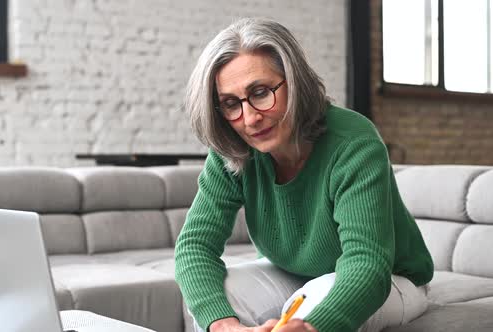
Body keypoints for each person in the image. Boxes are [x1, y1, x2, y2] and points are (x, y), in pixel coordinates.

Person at [174, 18, 434, 332]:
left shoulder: (353, 143)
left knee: (315, 299)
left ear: (295, 81)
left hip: (392, 280)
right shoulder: (234, 148)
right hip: (291, 273)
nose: (250, 118)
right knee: (215, 297)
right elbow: (195, 247)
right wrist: (223, 325)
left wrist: (312, 327)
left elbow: (367, 263)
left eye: (260, 92)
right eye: (230, 103)